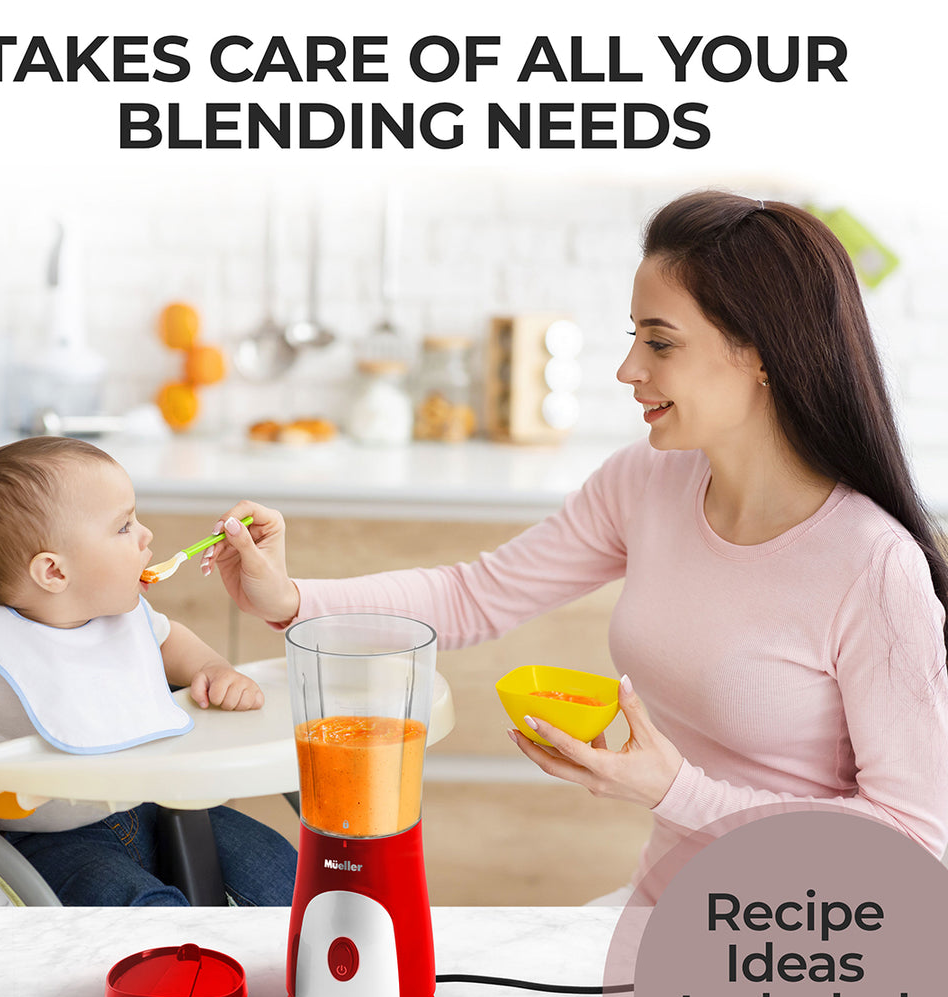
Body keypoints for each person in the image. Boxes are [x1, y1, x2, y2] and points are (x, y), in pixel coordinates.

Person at [200, 191, 948, 904]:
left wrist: (672, 790)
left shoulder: (870, 565)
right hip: (663, 908)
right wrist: (295, 602)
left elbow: (914, 839)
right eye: (634, 337)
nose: (629, 370)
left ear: (760, 354)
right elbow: (475, 595)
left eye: (660, 342)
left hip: (803, 942)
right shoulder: (648, 481)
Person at [0, 436, 297, 906]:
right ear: (54, 573)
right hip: (43, 835)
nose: (147, 536)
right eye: (124, 527)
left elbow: (170, 640)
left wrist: (213, 667)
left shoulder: (125, 614)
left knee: (275, 867)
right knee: (131, 905)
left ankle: (291, 962)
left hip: (153, 803)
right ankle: (180, 973)